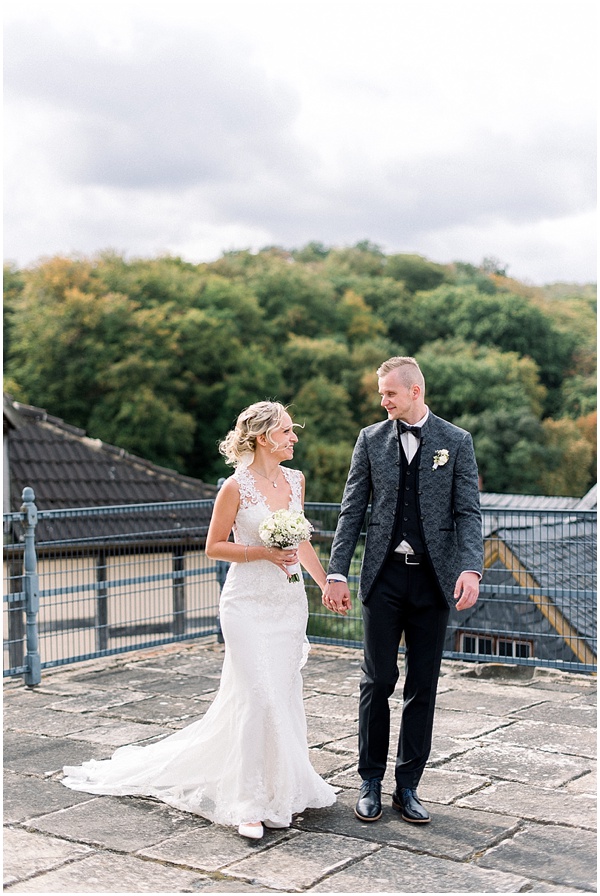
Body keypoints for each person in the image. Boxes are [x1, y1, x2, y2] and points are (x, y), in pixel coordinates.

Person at [63, 401, 336, 840]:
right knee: (258, 697)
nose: (294, 438)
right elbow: (213, 546)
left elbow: (301, 543)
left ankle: (279, 792)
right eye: (287, 431)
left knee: (282, 695)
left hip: (287, 603)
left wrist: (324, 583)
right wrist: (262, 552)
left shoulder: (296, 480)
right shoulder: (234, 487)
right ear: (265, 438)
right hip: (245, 603)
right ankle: (247, 802)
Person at [323, 356, 483, 825]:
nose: (382, 400)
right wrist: (337, 571)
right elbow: (352, 509)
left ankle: (408, 787)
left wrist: (471, 568)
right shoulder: (369, 440)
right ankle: (369, 781)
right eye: (380, 393)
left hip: (435, 581)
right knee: (377, 681)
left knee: (423, 686)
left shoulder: (456, 441)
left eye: (389, 393)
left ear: (415, 391)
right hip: (384, 577)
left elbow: (468, 513)